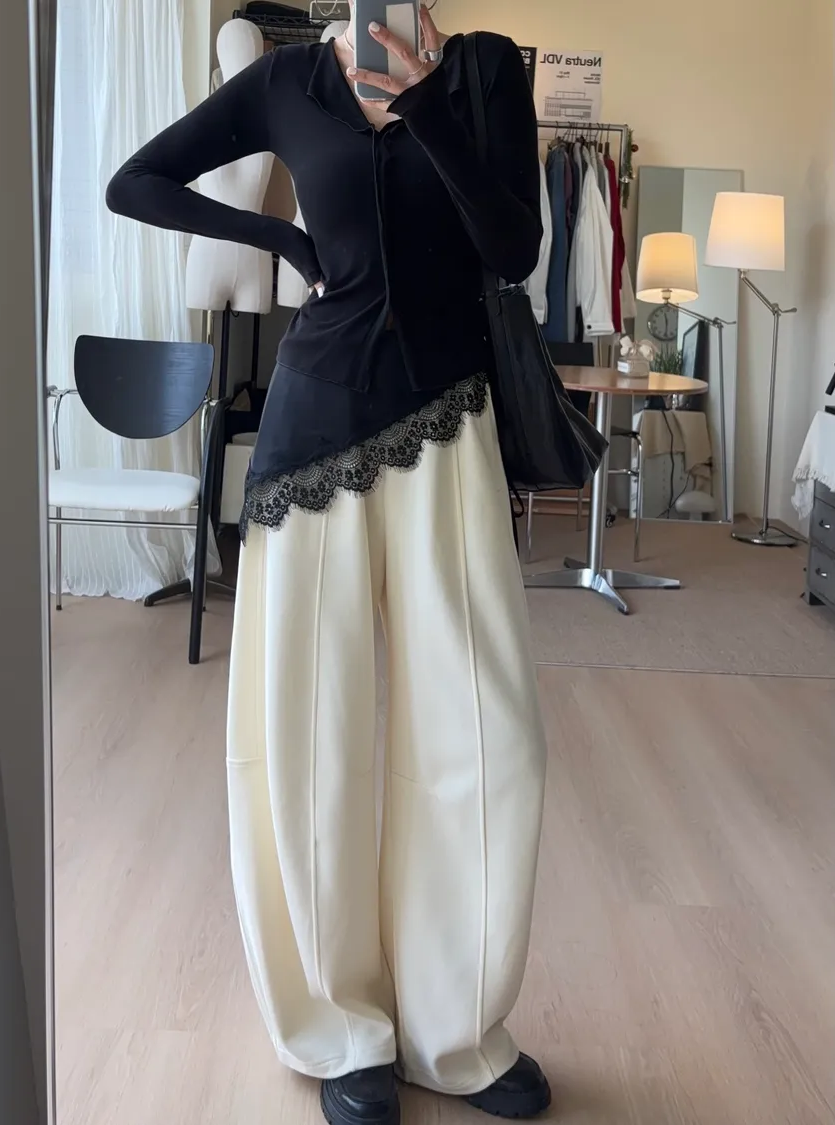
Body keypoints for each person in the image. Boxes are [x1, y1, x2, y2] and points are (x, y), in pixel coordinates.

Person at [106, 5, 549, 1123]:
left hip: (450, 425)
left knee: (486, 734)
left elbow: (514, 250)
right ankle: (342, 1027)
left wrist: (426, 107)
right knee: (310, 741)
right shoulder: (285, 83)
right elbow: (135, 182)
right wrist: (284, 242)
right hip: (312, 429)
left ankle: (456, 1027)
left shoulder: (487, 73)